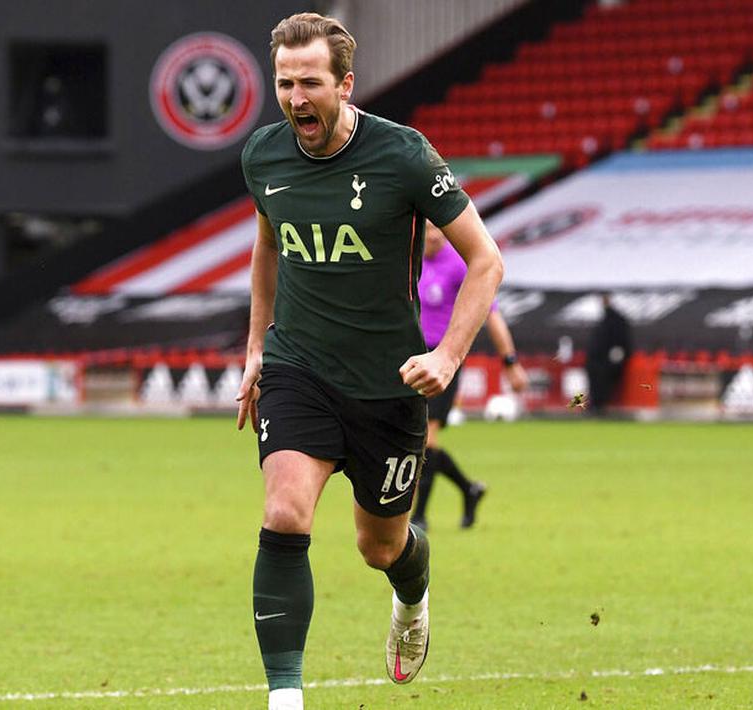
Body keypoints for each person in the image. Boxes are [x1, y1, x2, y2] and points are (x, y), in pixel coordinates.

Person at [235, 13, 504, 710]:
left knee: (378, 546)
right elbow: (267, 247)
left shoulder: (404, 156)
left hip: (388, 385)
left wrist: (446, 357)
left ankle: (411, 600)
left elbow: (485, 261)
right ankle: (285, 697)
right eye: (284, 83)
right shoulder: (262, 156)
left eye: (310, 83)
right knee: (285, 510)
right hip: (299, 368)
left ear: (345, 84)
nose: (295, 99)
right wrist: (257, 347)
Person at [410, 223, 528, 531]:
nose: (433, 235)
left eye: (439, 230)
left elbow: (492, 314)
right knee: (416, 439)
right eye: (428, 229)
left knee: (426, 437)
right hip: (411, 359)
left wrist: (510, 361)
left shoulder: (460, 265)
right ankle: (468, 489)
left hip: (444, 361)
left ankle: (419, 517)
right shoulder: (409, 259)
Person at [584, 292, 632, 414]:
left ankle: (600, 407)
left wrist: (617, 354)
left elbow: (622, 341)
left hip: (606, 362)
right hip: (596, 361)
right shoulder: (604, 318)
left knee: (603, 384)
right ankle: (595, 406)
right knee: (596, 383)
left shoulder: (615, 319)